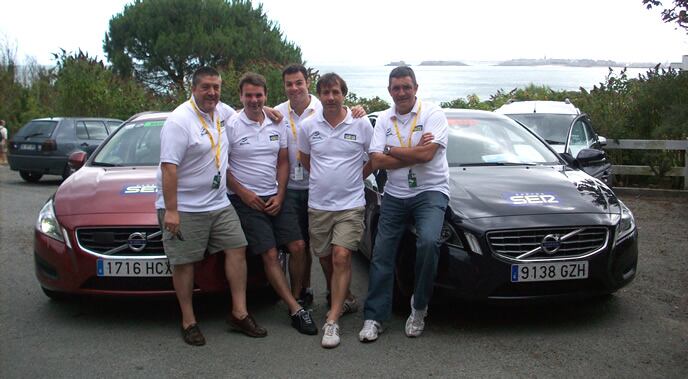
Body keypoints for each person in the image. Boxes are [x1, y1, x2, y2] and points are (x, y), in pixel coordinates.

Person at [156, 66, 267, 346]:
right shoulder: (180, 121)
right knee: (184, 263)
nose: (212, 93)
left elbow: (249, 111)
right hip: (185, 206)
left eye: (216, 87)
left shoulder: (221, 112)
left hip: (218, 202)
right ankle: (188, 320)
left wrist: (273, 112)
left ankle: (239, 313)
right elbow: (169, 168)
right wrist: (171, 210)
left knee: (237, 247)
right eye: (206, 87)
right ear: (193, 89)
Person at [358, 66, 449, 342]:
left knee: (429, 242)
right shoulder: (384, 119)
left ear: (416, 88)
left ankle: (419, 306)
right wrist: (414, 152)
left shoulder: (433, 114)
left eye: (406, 87)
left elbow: (428, 155)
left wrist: (391, 149)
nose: (401, 92)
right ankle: (374, 317)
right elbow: (376, 161)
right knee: (382, 253)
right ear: (389, 91)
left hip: (431, 190)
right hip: (396, 193)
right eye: (396, 88)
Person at [226, 72, 317, 335]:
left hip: (276, 195)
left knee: (298, 246)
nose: (254, 100)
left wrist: (279, 195)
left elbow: (283, 161)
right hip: (246, 201)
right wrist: (244, 194)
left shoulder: (277, 121)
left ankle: (297, 296)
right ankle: (296, 310)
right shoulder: (231, 125)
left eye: (259, 95)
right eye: (248, 95)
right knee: (268, 252)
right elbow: (223, 167)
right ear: (241, 96)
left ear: (266, 95)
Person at [275, 64, 366, 309]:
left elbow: (371, 154)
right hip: (293, 187)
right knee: (301, 246)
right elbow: (304, 158)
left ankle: (335, 295)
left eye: (299, 82)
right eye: (289, 84)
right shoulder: (277, 112)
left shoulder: (324, 108)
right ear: (284, 86)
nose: (294, 88)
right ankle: (304, 290)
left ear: (307, 83)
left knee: (332, 253)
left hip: (321, 190)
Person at [298, 73, 373, 348]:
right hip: (318, 205)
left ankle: (332, 320)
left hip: (351, 205)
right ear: (320, 95)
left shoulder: (360, 122)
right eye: (325, 92)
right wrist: (324, 177)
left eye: (335, 92)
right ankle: (347, 299)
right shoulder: (308, 126)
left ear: (344, 94)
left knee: (342, 257)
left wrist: (355, 176)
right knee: (326, 259)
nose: (330, 97)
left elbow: (373, 157)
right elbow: (305, 159)